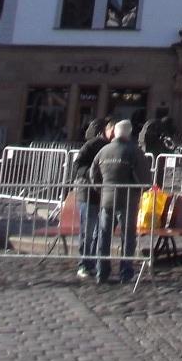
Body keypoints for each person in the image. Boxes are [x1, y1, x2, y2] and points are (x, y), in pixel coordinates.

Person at [89, 118, 152, 285]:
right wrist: (142, 189)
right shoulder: (134, 151)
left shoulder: (104, 151)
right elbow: (145, 178)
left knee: (104, 235)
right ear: (129, 133)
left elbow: (93, 174)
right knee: (127, 236)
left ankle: (101, 271)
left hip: (107, 199)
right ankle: (125, 272)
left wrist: (101, 189)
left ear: (115, 133)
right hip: (128, 199)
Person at [71, 117, 113, 281]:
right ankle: (84, 264)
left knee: (99, 232)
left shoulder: (113, 146)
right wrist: (94, 174)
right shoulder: (93, 144)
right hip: (88, 194)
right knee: (88, 232)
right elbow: (77, 166)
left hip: (105, 195)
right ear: (105, 130)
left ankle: (95, 264)